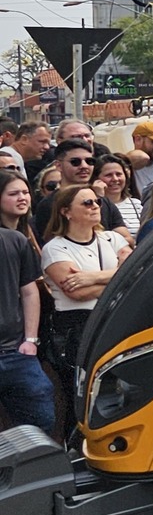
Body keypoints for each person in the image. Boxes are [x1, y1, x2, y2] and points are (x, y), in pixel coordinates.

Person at [40, 183, 130, 398]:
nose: (95, 206)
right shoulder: (55, 248)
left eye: (97, 201)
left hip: (113, 321)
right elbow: (76, 293)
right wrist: (116, 280)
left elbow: (133, 271)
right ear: (66, 211)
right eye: (87, 202)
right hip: (76, 326)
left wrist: (90, 277)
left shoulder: (112, 238)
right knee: (82, 394)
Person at [0, 176, 51, 436]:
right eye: (13, 193)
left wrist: (30, 339)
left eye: (25, 191)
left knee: (41, 422)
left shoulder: (17, 239)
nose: (22, 197)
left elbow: (30, 291)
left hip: (15, 349)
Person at [94, 157, 143, 240]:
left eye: (118, 174)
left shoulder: (136, 204)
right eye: (108, 175)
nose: (115, 179)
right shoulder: (93, 206)